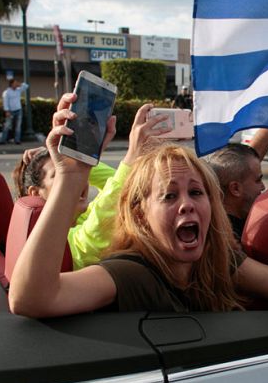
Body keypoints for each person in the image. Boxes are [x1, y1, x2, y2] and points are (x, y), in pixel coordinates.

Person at [7, 102, 268, 318]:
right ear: (139, 216)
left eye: (197, 192)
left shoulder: (217, 258)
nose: (187, 203)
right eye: (169, 197)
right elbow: (32, 298)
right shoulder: (132, 272)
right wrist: (71, 179)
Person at [12, 100, 167, 269]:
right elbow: (103, 218)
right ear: (35, 193)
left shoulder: (81, 218)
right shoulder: (58, 241)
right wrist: (132, 154)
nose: (79, 180)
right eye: (58, 174)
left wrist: (74, 155)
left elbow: (119, 186)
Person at [204, 128, 268, 239]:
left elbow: (243, 165)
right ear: (235, 189)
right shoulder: (229, 241)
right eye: (258, 180)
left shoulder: (213, 223)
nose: (263, 187)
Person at [0, 79, 29, 144]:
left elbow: (26, 86)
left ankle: (17, 140)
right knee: (7, 125)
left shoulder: (18, 90)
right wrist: (7, 111)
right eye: (15, 83)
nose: (16, 84)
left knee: (18, 126)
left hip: (18, 110)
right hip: (10, 111)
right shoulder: (6, 92)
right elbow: (5, 102)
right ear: (11, 84)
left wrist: (20, 84)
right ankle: (2, 140)